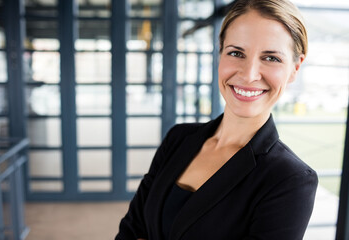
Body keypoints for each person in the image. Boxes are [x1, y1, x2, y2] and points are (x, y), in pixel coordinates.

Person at [116, 0, 318, 239]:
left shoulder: (289, 179)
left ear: (295, 68)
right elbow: (131, 230)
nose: (249, 74)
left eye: (271, 58)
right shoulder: (178, 138)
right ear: (220, 52)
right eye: (236, 53)